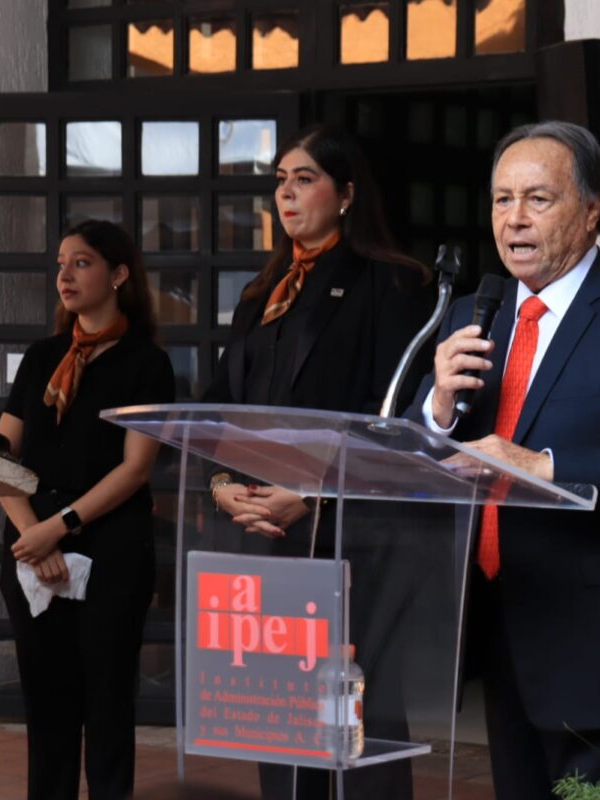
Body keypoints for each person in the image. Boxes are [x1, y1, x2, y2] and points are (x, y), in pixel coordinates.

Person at [410, 121, 600, 797]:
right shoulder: (473, 313)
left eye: (537, 199)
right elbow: (412, 451)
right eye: (500, 200)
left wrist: (540, 464)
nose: (513, 219)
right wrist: (436, 406)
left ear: (590, 212)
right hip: (497, 638)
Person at [201, 124, 432, 799]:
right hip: (263, 539)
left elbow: (394, 421)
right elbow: (220, 406)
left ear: (348, 192)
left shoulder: (389, 284)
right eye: (280, 180)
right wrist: (221, 483)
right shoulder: (260, 293)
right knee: (278, 715)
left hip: (349, 537)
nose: (286, 193)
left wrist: (316, 493)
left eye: (304, 178)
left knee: (357, 716)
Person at [0, 219, 176, 799]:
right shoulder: (41, 355)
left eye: (81, 263)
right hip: (32, 551)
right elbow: (1, 458)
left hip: (111, 550)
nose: (64, 275)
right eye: (60, 263)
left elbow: (135, 469)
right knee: (47, 717)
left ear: (118, 274)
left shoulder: (147, 364)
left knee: (106, 711)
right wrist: (33, 536)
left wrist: (59, 528)